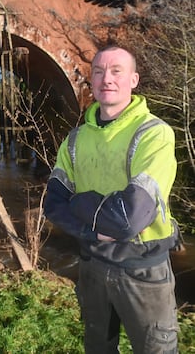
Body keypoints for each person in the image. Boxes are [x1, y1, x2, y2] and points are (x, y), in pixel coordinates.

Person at [44, 46, 179, 354]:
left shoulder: (154, 134)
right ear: (90, 81)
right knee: (98, 346)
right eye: (99, 72)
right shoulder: (75, 139)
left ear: (133, 79)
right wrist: (93, 230)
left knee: (155, 350)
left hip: (143, 269)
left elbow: (127, 219)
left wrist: (79, 204)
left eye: (117, 71)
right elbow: (53, 204)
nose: (107, 79)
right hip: (93, 263)